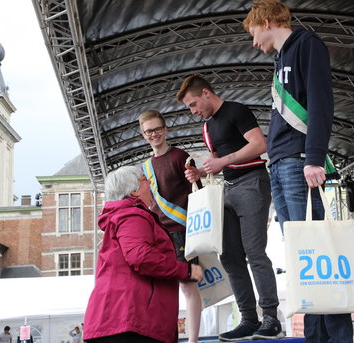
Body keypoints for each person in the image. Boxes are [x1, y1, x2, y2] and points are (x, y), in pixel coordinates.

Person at [244, 0, 353, 343]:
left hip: (298, 161)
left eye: (252, 33)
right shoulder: (279, 60)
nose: (253, 42)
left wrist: (315, 158)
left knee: (318, 254)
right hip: (279, 164)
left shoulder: (307, 44)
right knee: (303, 259)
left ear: (265, 22)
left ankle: (335, 337)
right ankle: (315, 337)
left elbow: (322, 103)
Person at [177, 75, 284, 341]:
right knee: (230, 257)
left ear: (205, 93)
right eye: (189, 107)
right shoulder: (206, 127)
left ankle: (271, 318)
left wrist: (223, 161)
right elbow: (216, 161)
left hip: (252, 184)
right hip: (228, 190)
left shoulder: (236, 110)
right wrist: (200, 171)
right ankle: (249, 319)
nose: (193, 111)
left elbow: (260, 145)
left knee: (254, 252)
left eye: (193, 104)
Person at [83, 165, 203, 343]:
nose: (149, 182)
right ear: (134, 191)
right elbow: (140, 256)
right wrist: (186, 270)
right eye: (144, 180)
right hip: (132, 322)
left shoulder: (122, 216)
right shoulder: (132, 216)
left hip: (118, 321)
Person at [138, 109, 202, 343]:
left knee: (188, 287)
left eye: (157, 129)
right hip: (160, 235)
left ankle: (193, 340)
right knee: (164, 290)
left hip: (184, 232)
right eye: (148, 131)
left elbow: (197, 191)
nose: (154, 134)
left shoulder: (179, 157)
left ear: (165, 130)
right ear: (142, 134)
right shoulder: (145, 167)